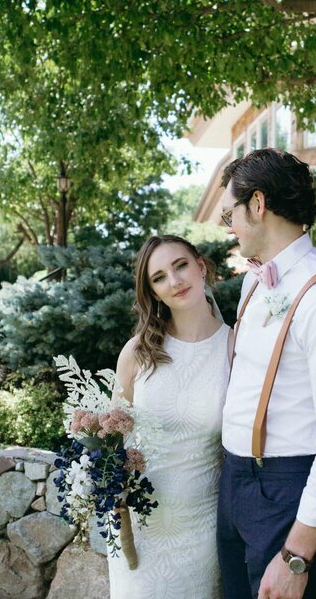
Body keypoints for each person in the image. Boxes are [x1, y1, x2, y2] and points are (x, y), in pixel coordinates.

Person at [217, 148, 316, 599]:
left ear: (258, 204)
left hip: (284, 492)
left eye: (231, 213)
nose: (229, 226)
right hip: (233, 482)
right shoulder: (252, 281)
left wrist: (295, 556)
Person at [108, 234, 233, 599]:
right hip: (139, 530)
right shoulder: (138, 351)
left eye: (180, 266)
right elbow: (111, 434)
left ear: (201, 266)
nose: (174, 281)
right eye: (159, 277)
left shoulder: (234, 348)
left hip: (201, 531)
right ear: (153, 292)